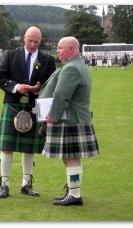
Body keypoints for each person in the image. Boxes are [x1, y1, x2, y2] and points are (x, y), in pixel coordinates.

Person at [0, 26, 56, 198]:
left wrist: (37, 89)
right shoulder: (11, 55)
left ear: (40, 41)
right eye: (30, 41)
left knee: (29, 149)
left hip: (33, 107)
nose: (32, 44)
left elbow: (52, 85)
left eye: (36, 42)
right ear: (24, 38)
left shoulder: (48, 60)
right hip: (13, 105)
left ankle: (26, 184)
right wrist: (17, 87)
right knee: (7, 146)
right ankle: (4, 185)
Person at [38, 36, 100, 206]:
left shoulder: (72, 68)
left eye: (60, 47)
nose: (57, 50)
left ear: (71, 49)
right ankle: (73, 191)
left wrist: (53, 115)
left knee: (71, 157)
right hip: (74, 118)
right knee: (69, 157)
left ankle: (74, 194)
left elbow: (61, 95)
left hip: (70, 120)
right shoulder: (76, 65)